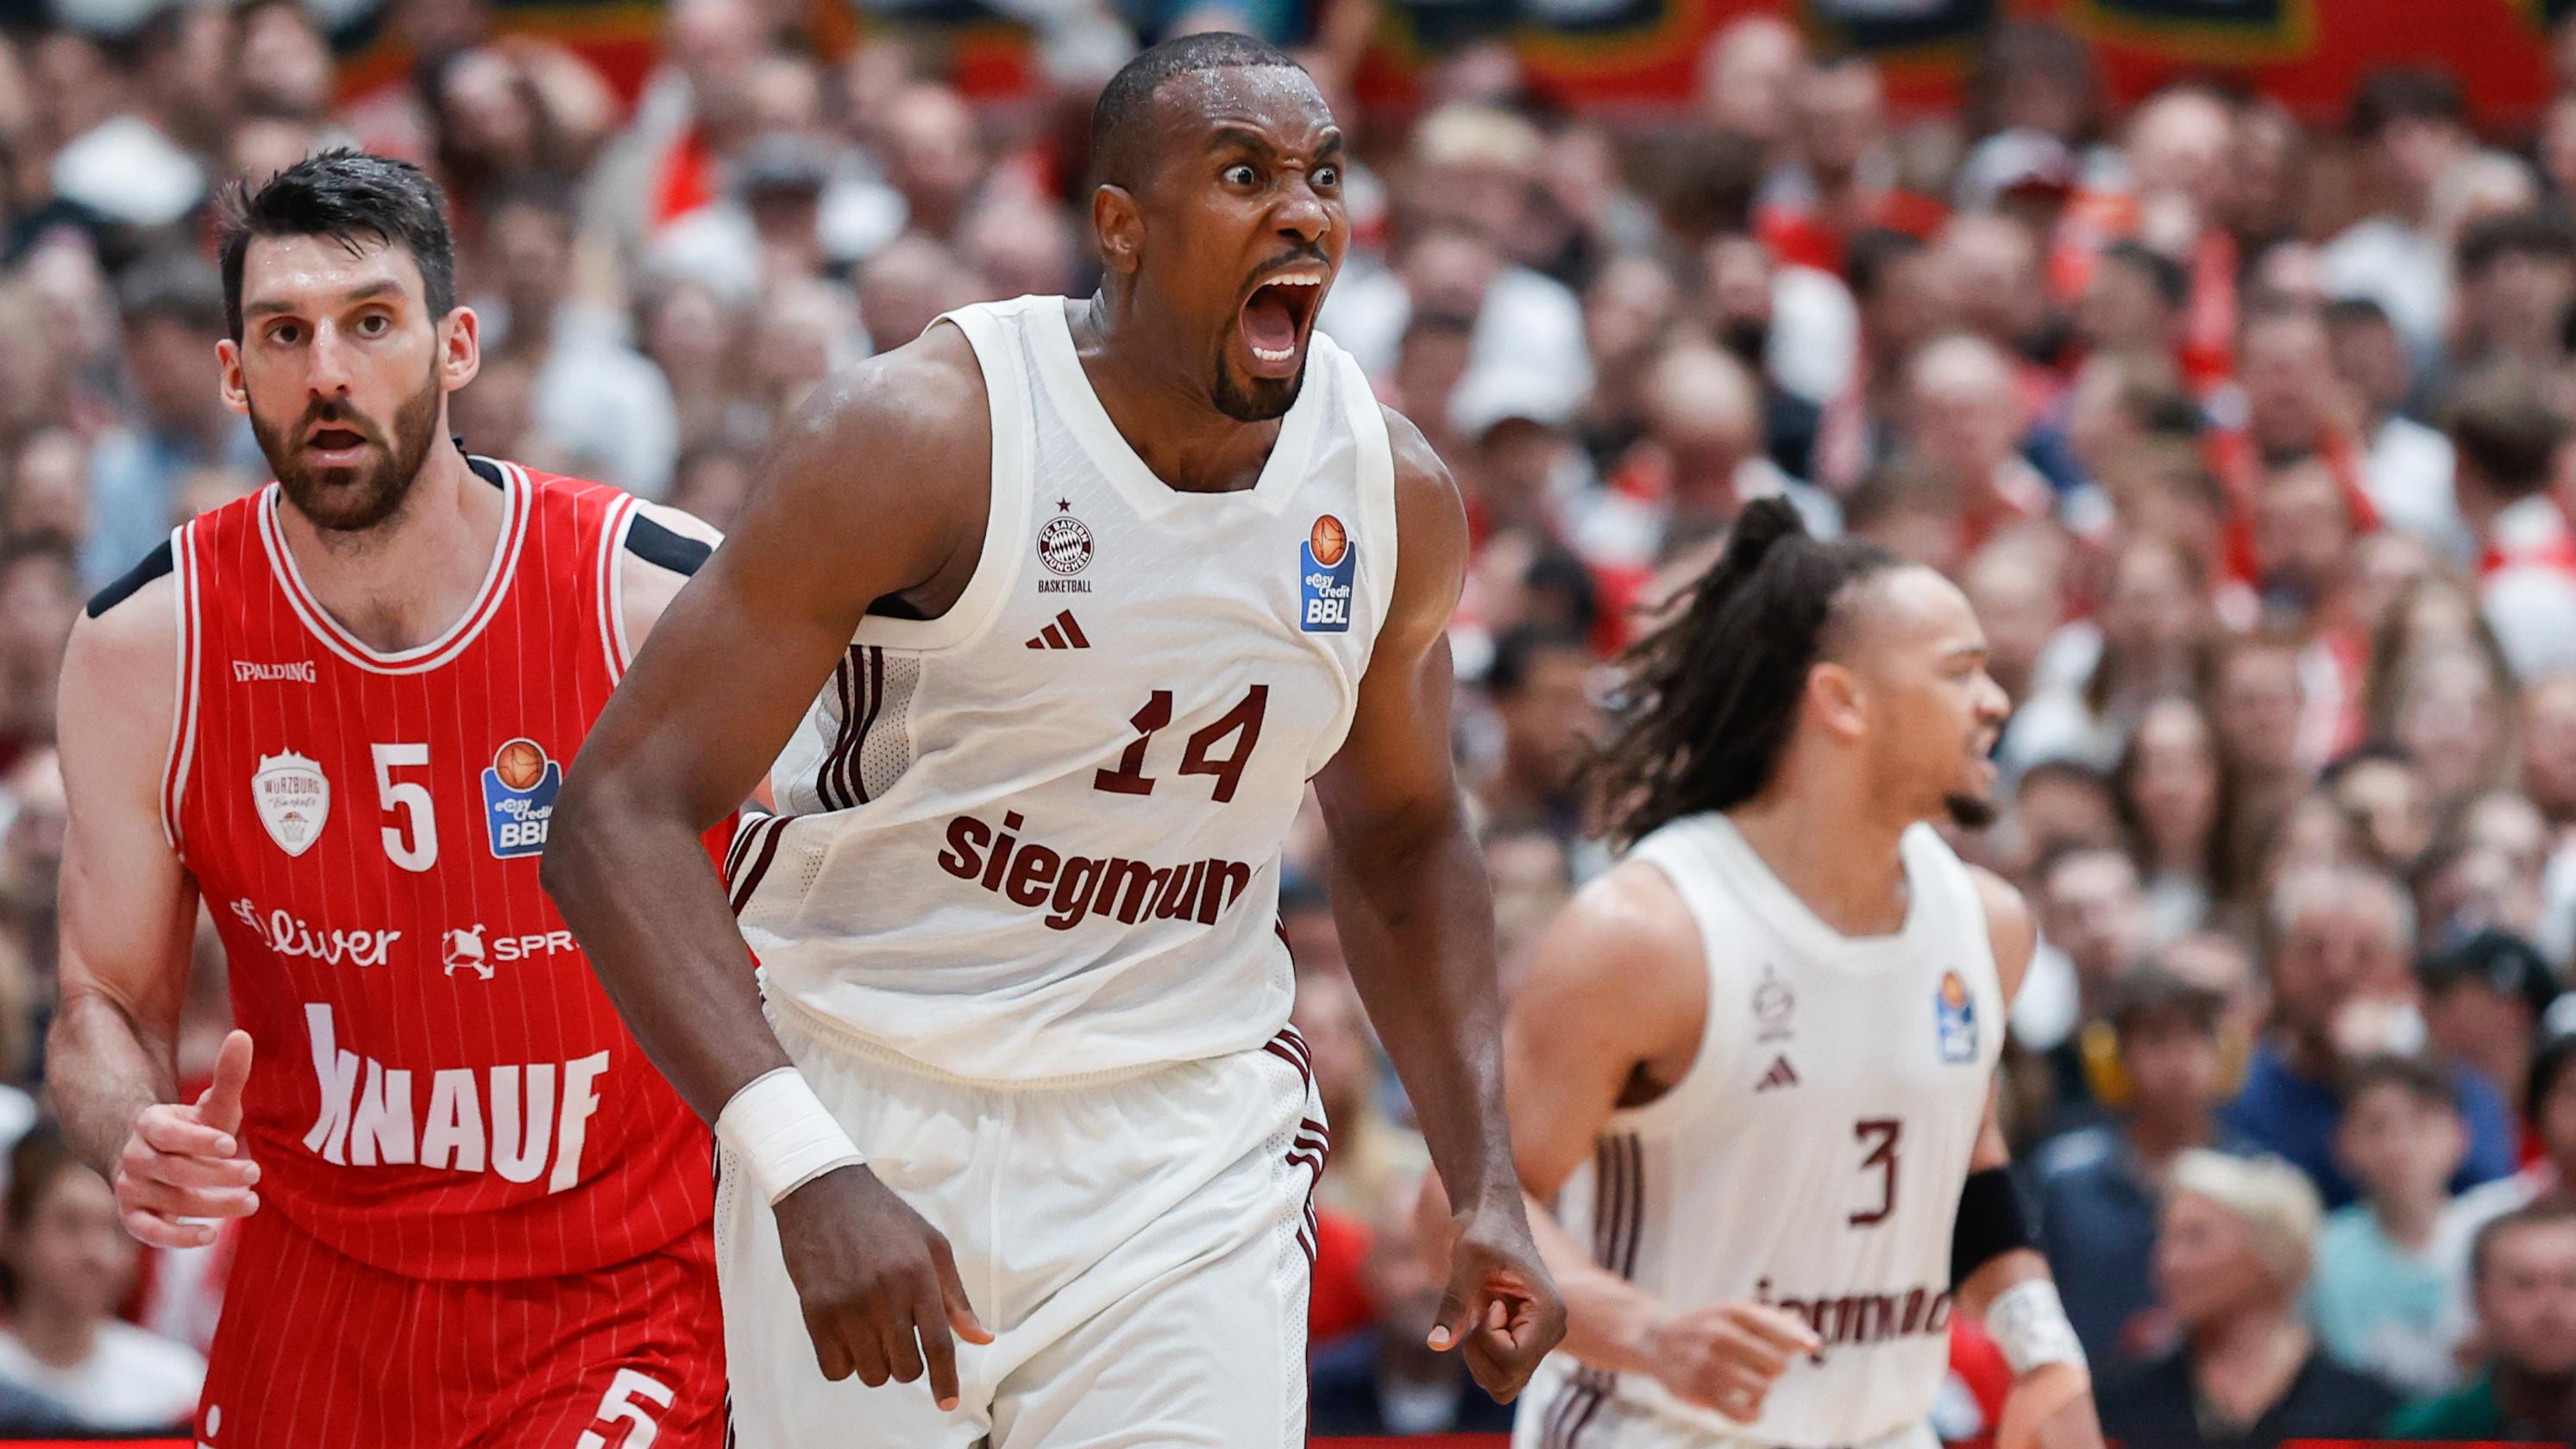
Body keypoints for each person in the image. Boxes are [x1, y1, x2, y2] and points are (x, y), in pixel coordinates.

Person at [538, 33, 1563, 1449]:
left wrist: (1484, 1171)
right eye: (1246, 173)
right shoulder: (924, 435)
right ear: (1121, 226)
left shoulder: (1388, 496)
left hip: (1186, 1137)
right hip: (874, 1099)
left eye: (1323, 175)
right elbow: (613, 815)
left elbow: (1402, 836)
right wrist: (796, 1158)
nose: (1305, 213)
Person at [46, 152, 729, 1446]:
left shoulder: (651, 598)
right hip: (317, 1302)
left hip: (618, 1294)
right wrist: (131, 1126)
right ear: (233, 370)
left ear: (455, 345)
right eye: (284, 334)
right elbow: (99, 1004)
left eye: (371, 323)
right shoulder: (150, 645)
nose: (330, 373)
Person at [1492, 499, 2102, 1449]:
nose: (1996, 702)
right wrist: (1650, 1335)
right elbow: (1473, 1205)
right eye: (1959, 673)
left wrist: (2043, 1351)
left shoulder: (1986, 926)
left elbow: (1964, 1160)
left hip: (1885, 1429)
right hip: (1654, 1430)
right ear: (1843, 703)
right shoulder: (1647, 936)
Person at [2098, 1150, 2403, 1447]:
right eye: (2165, 1237)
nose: (2168, 1260)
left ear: (2271, 1255)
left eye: (2196, 1237)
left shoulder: (2366, 1412)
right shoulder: (2118, 1404)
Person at [2032, 969, 2250, 1369]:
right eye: (2157, 1039)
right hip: (2096, 1403)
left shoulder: (2258, 1183)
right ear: (2115, 1058)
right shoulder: (2065, 1179)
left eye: (2199, 1038)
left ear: (2228, 1054)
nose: (2179, 1060)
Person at [0, 1132, 198, 1430]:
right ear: (13, 1230)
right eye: (70, 1224)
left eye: (118, 1230)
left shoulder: (180, 1386)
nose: (97, 1253)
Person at [2304, 1054, 2472, 1396]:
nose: (2399, 1147)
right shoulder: (2314, 1256)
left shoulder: (2491, 1239)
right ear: (2341, 1144)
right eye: (2376, 1127)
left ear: (2459, 1136)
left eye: (2420, 1124)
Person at [2389, 1199, 2576, 1441]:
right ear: (2480, 1298)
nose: (2553, 1310)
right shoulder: (2425, 1435)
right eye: (2525, 1284)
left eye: (2571, 1282)